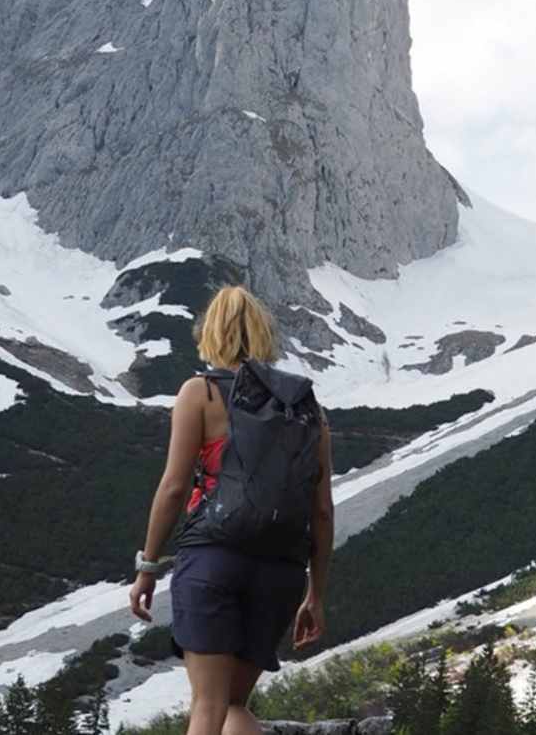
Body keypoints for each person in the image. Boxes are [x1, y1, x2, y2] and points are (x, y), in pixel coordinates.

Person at [128, 284, 335, 735]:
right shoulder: (308, 408)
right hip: (281, 570)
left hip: (213, 558)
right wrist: (315, 595)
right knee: (235, 704)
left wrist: (147, 566)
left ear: (211, 334)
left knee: (208, 705)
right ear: (263, 333)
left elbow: (174, 487)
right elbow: (321, 511)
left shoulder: (200, 392)